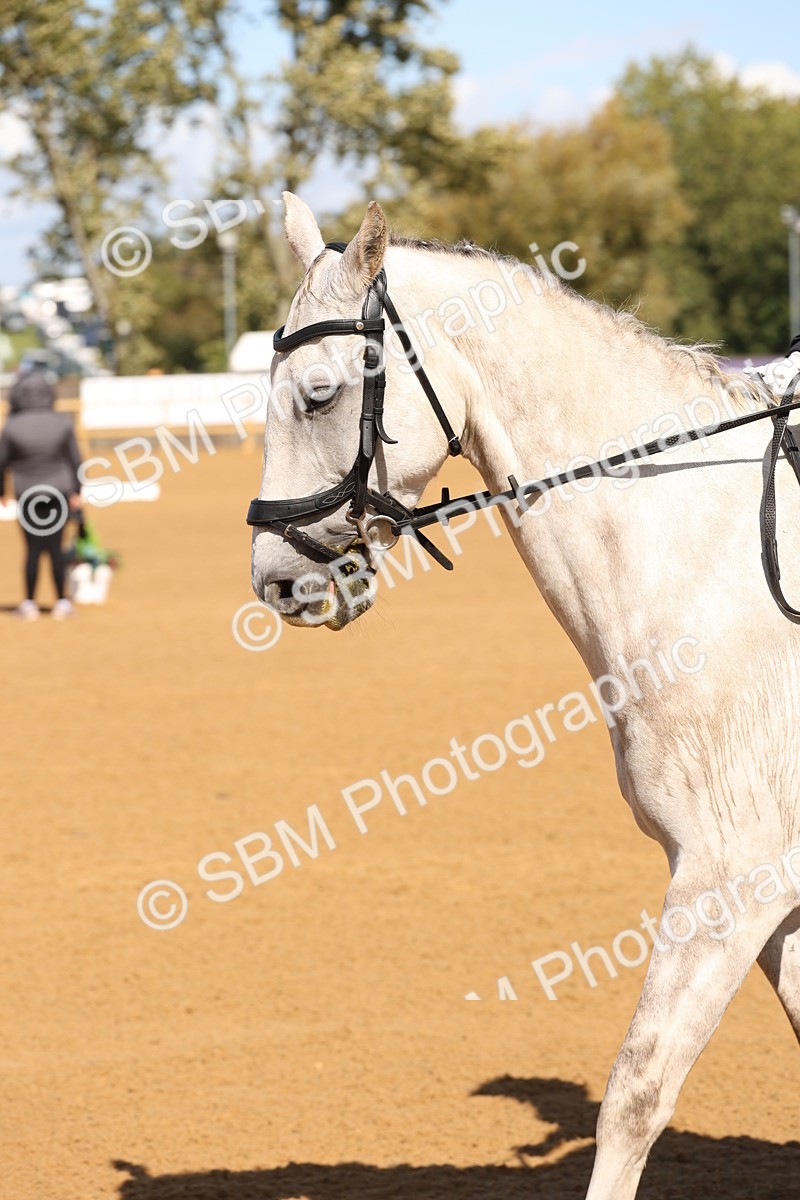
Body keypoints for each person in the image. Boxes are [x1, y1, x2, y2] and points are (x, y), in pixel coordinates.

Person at [0, 357, 82, 620]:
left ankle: (29, 604)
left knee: (33, 548)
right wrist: (77, 491)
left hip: (28, 492)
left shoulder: (12, 426)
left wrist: (2, 491)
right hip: (58, 490)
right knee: (56, 546)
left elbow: (2, 463)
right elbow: (75, 461)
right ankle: (62, 602)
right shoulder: (61, 423)